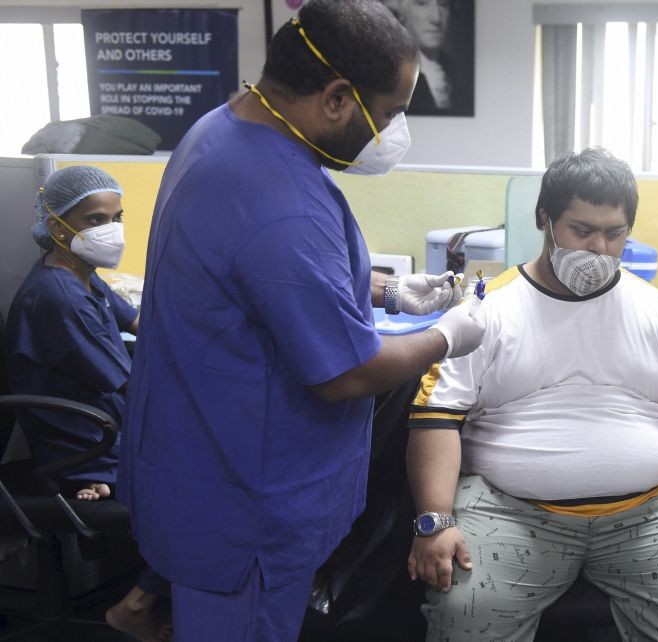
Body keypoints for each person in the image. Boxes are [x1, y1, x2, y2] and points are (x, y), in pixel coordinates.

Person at [118, 1, 486, 639]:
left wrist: (389, 293)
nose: (392, 132)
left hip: (198, 460)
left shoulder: (222, 131)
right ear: (339, 97)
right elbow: (346, 373)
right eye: (392, 113)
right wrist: (448, 336)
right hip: (246, 500)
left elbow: (257, 280)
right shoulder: (282, 199)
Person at [406, 148, 658, 641]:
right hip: (509, 507)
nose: (600, 249)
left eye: (615, 233)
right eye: (582, 231)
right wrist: (434, 522)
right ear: (546, 220)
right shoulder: (486, 309)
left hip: (652, 506)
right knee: (467, 608)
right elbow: (437, 415)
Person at [4, 165, 170, 642]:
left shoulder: (81, 277)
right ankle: (135, 606)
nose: (112, 229)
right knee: (216, 488)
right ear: (58, 227)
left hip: (108, 434)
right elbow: (132, 388)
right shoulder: (60, 298)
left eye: (117, 216)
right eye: (97, 220)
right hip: (87, 448)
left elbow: (142, 322)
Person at [384, 0, 473, 115]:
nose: (436, 18)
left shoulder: (458, 73)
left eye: (443, 5)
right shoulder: (389, 74)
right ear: (401, 13)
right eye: (422, 3)